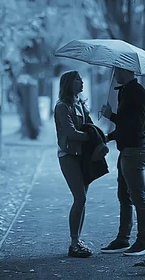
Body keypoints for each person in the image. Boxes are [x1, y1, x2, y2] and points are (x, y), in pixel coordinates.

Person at [99, 67, 145, 256]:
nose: (115, 75)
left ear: (126, 71)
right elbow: (125, 126)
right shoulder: (126, 92)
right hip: (127, 150)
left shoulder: (138, 93)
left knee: (138, 198)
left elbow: (136, 125)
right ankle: (123, 239)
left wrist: (111, 116)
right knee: (124, 196)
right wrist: (108, 137)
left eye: (117, 71)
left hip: (135, 151)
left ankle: (143, 242)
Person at [54, 70, 94, 258]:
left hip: (82, 156)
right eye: (78, 79)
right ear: (69, 83)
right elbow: (70, 132)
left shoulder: (80, 104)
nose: (82, 81)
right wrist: (90, 137)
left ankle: (77, 240)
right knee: (80, 197)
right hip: (68, 155)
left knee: (83, 198)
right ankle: (73, 243)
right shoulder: (62, 106)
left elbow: (90, 126)